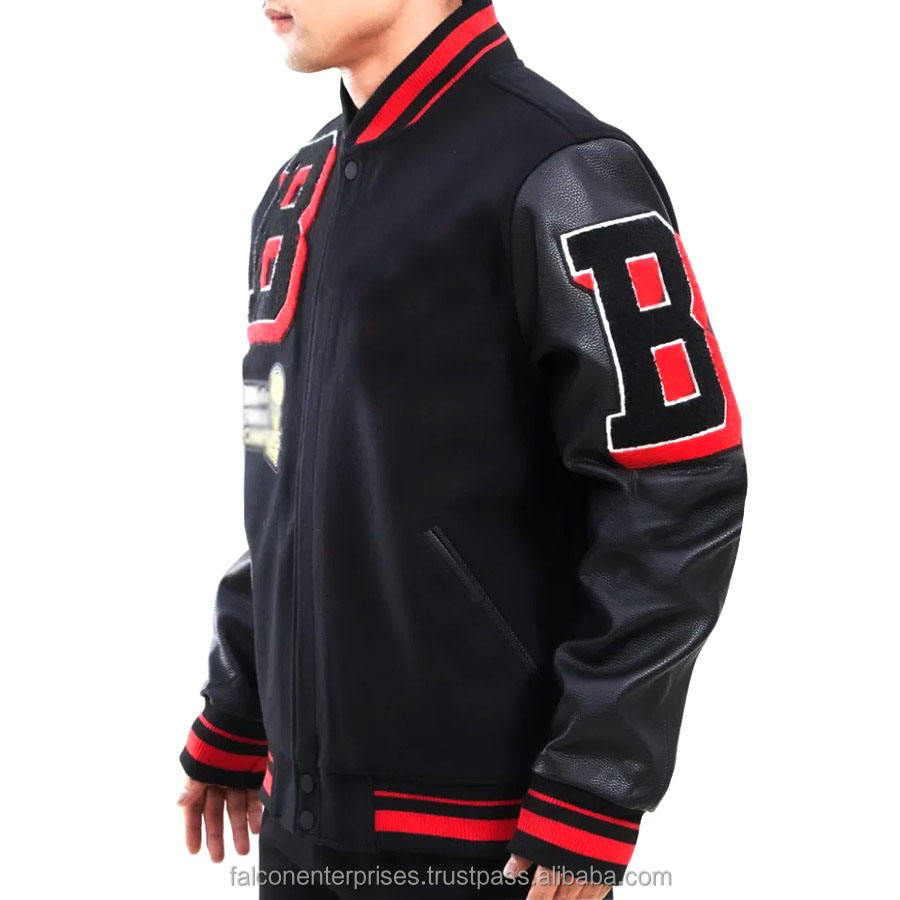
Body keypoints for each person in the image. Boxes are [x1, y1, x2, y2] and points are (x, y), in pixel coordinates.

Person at [177, 1, 748, 897]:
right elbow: (280, 475)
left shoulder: (563, 170)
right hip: (299, 825)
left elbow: (678, 484)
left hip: (495, 838)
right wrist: (240, 701)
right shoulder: (293, 194)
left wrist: (594, 783)